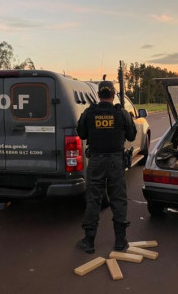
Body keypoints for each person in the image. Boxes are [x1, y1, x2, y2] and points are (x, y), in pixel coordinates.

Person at [76, 80, 137, 253]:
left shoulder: (90, 112)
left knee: (93, 199)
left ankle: (89, 241)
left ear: (98, 95)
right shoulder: (122, 113)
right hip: (116, 161)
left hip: (96, 161)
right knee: (118, 199)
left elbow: (81, 133)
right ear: (113, 95)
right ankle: (120, 241)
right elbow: (132, 136)